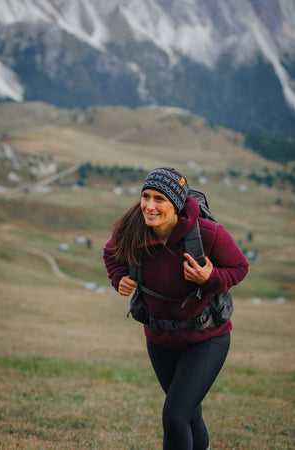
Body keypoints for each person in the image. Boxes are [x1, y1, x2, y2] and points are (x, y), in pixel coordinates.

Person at [103, 167, 249, 450]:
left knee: (175, 415)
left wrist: (211, 279)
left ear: (176, 204)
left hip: (206, 337)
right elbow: (111, 253)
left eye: (160, 199)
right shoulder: (131, 229)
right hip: (159, 338)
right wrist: (119, 277)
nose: (149, 205)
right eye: (145, 196)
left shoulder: (208, 234)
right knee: (188, 414)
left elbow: (240, 268)